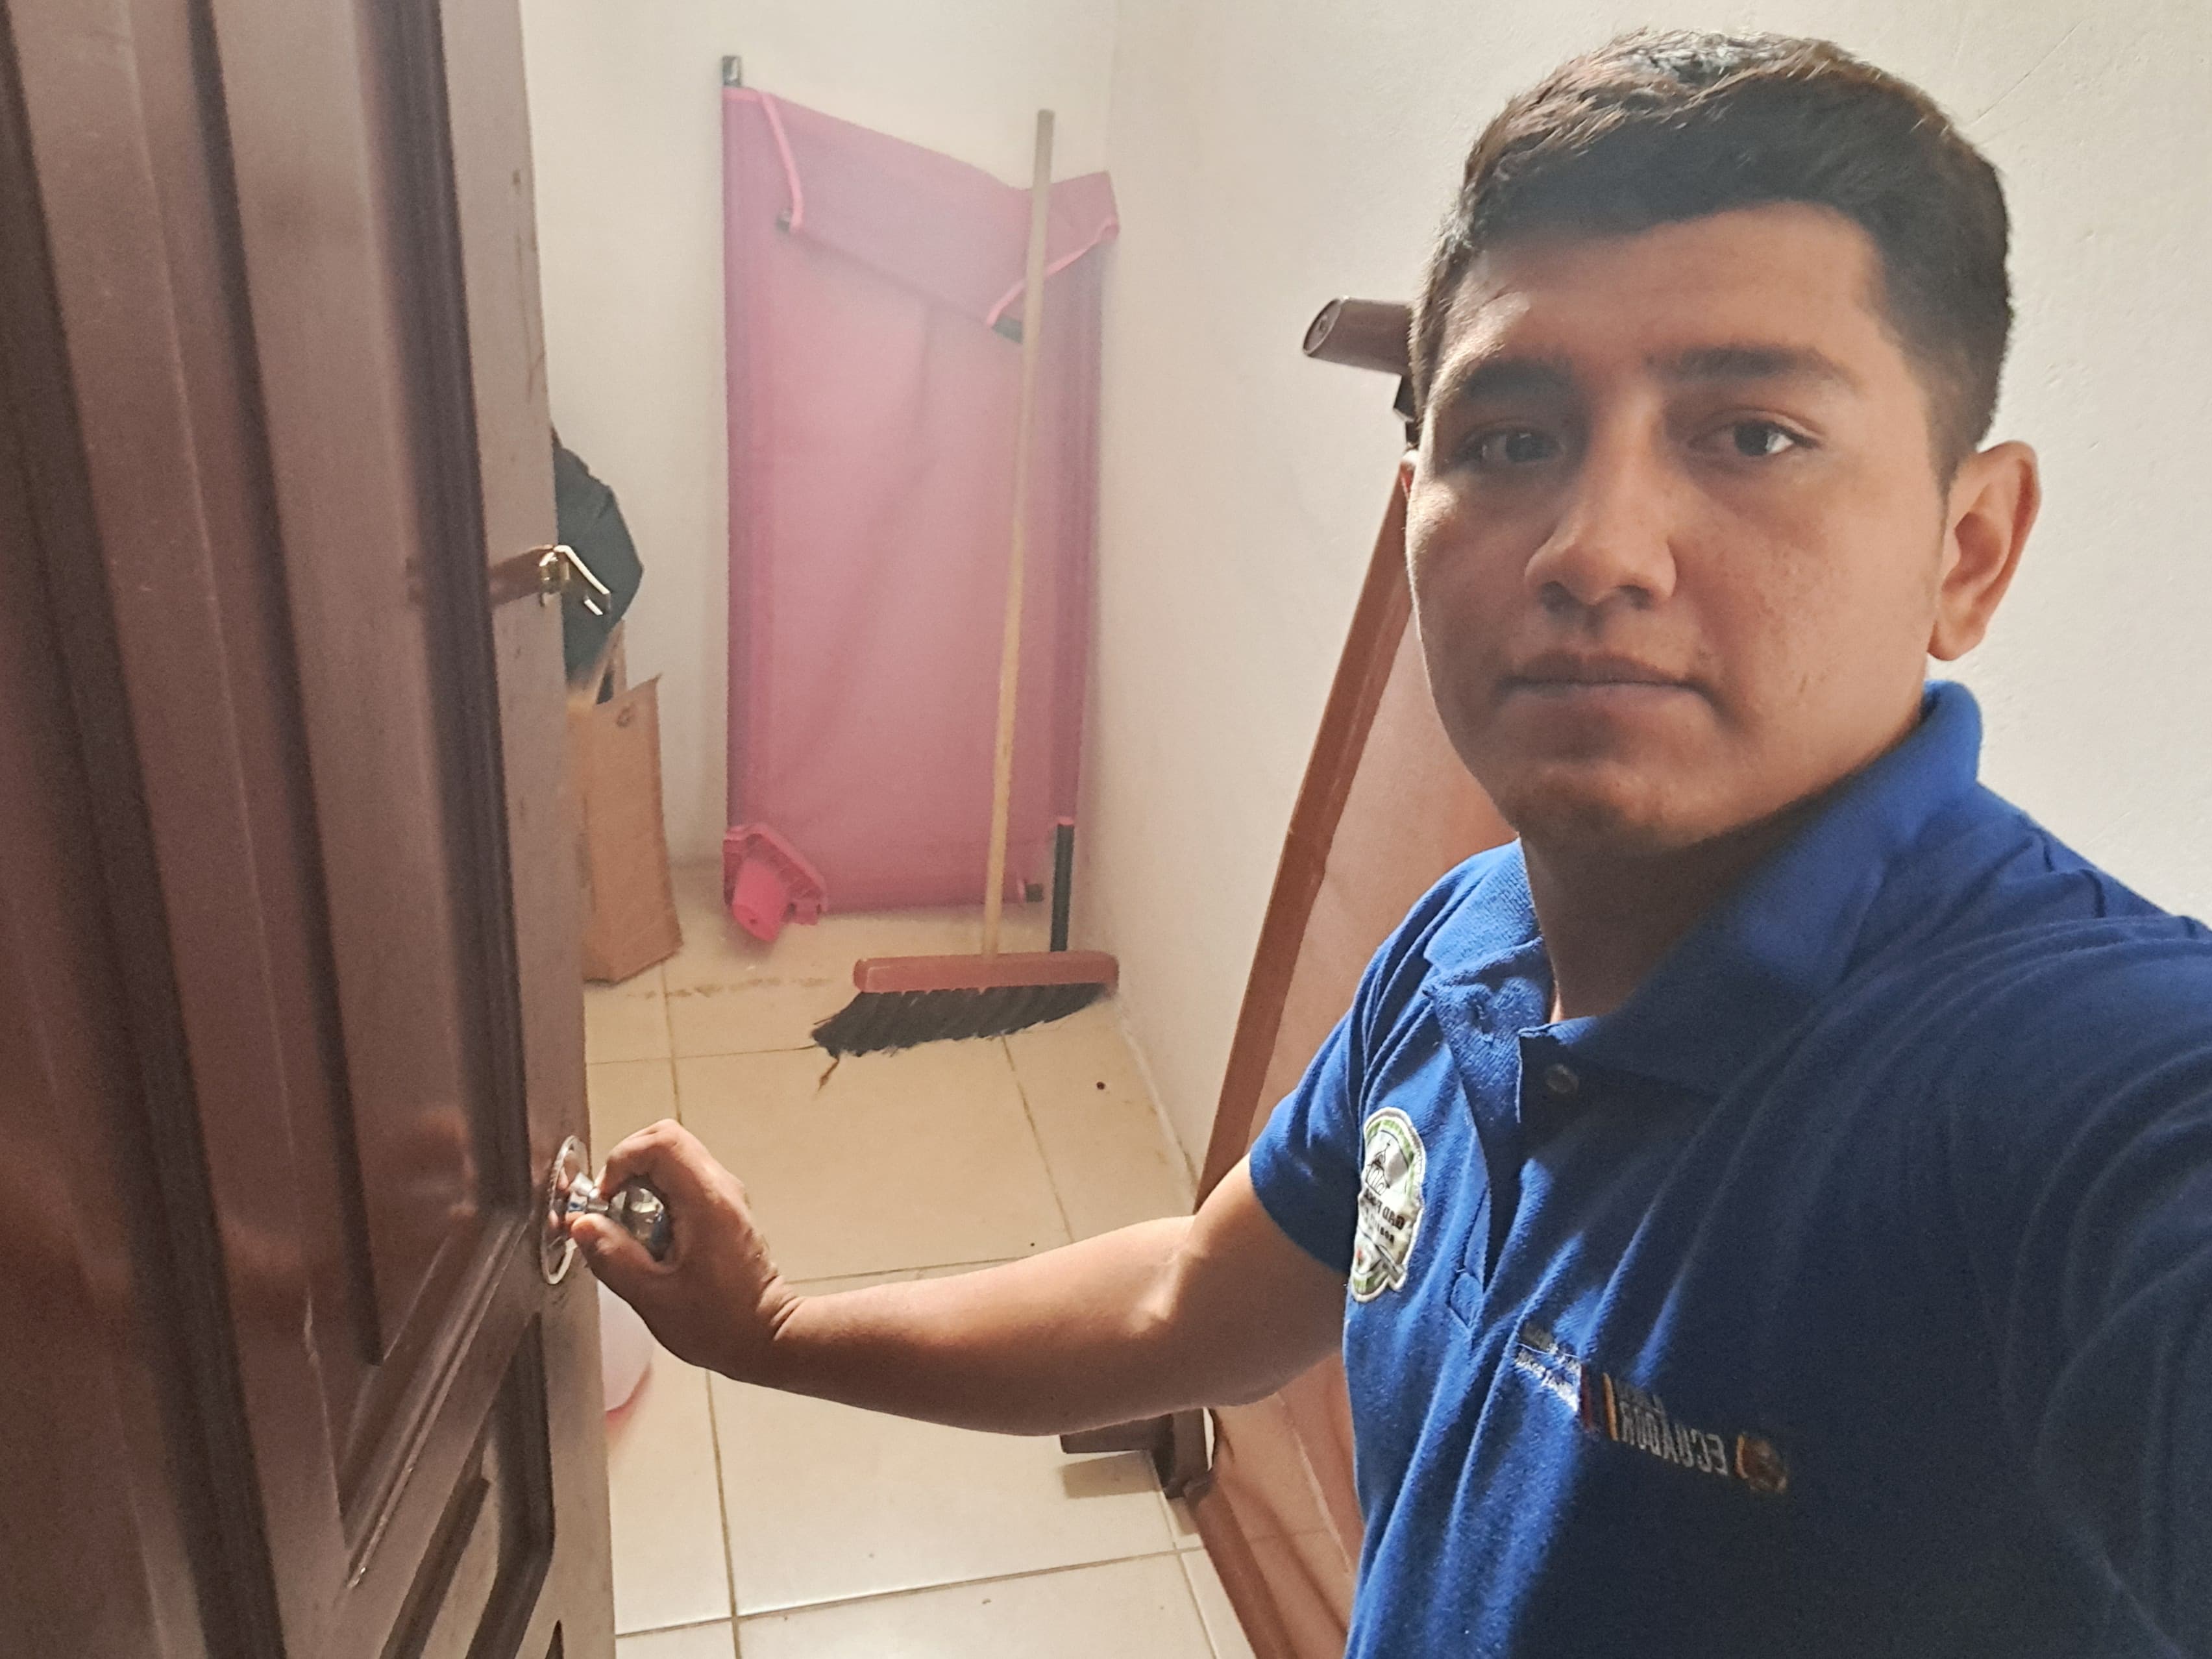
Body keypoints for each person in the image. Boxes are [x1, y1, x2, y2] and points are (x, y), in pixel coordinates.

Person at [578, 31, 2212, 1656]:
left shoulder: (2080, 1089)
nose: (1598, 547)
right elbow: (1187, 1301)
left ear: (1970, 548)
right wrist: (773, 1332)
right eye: (1514, 439)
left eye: (1752, 435)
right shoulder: (1466, 947)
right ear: (1417, 496)